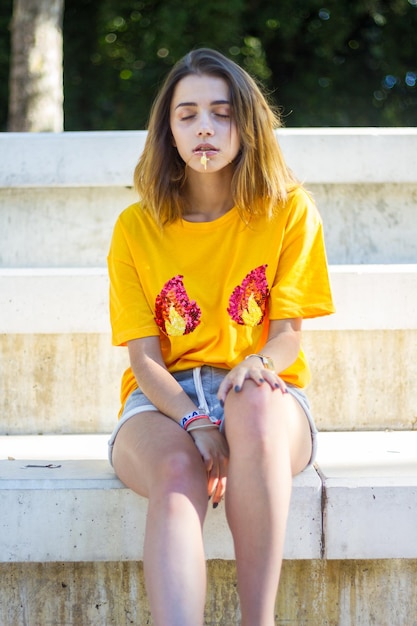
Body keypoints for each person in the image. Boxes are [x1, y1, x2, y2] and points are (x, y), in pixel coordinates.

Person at [107, 47, 335, 626]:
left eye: (222, 112)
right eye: (187, 115)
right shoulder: (136, 227)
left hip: (261, 389)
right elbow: (144, 357)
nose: (204, 127)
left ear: (247, 124)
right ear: (169, 131)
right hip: (163, 402)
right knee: (178, 473)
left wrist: (257, 364)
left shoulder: (289, 212)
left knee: (255, 399)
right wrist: (194, 420)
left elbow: (287, 336)